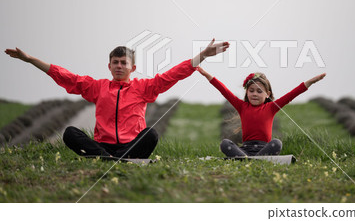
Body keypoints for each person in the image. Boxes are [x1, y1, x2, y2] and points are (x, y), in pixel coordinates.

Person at [5, 39, 229, 159]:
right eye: (116, 62)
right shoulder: (98, 87)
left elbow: (173, 75)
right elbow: (65, 76)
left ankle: (109, 158)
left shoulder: (143, 87)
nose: (119, 66)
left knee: (151, 134)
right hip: (103, 144)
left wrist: (201, 56)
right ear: (109, 66)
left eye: (124, 63)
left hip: (131, 145)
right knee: (70, 133)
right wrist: (31, 59)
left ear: (133, 67)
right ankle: (107, 156)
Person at [197, 67, 326, 157]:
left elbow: (292, 94)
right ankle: (247, 159)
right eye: (251, 90)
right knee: (225, 143)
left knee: (277, 143)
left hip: (264, 149)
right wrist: (208, 75)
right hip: (245, 150)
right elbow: (224, 90)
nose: (255, 94)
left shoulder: (271, 107)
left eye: (259, 91)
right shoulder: (242, 106)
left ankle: (255, 159)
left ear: (267, 94)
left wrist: (310, 82)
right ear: (247, 92)